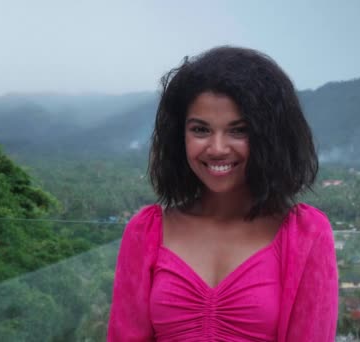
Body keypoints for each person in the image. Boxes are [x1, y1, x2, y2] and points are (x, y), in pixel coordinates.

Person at [108, 46, 338, 341]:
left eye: (238, 130)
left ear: (270, 138)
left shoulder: (305, 235)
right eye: (201, 130)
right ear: (180, 137)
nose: (217, 148)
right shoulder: (147, 232)